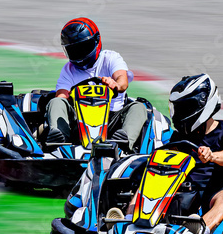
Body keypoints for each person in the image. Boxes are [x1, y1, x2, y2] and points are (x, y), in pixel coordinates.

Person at [106, 74, 223, 234]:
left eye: (185, 108)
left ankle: (200, 229)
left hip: (215, 191)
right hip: (185, 188)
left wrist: (212, 156)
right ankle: (130, 221)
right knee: (149, 176)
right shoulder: (180, 136)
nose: (180, 113)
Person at [44, 17, 148, 148]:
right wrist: (72, 96)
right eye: (74, 50)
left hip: (112, 119)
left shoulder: (110, 58)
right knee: (56, 102)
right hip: (79, 122)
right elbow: (61, 96)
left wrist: (115, 85)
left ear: (96, 41)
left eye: (83, 48)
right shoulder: (68, 70)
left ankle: (123, 142)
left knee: (139, 107)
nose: (79, 54)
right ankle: (60, 140)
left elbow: (122, 80)